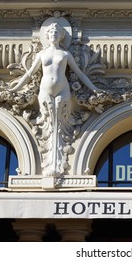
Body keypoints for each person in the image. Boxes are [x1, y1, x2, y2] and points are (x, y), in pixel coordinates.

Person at [9, 22, 101, 176]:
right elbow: (30, 73)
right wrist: (16, 88)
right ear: (47, 36)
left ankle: (59, 161)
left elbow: (79, 73)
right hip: (45, 90)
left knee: (60, 123)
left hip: (63, 90)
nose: (54, 35)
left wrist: (94, 88)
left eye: (57, 33)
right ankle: (50, 161)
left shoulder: (65, 54)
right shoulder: (42, 54)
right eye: (51, 33)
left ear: (61, 36)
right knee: (49, 122)